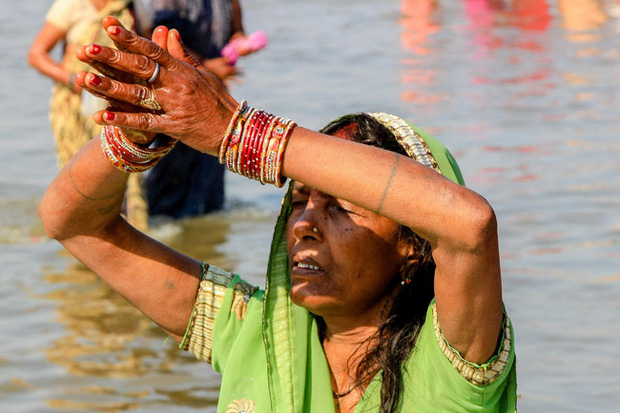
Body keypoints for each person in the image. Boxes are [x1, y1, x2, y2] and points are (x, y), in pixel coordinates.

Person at [38, 17, 517, 412]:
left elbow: (469, 224)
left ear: (413, 247)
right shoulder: (253, 330)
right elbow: (71, 221)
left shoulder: (454, 357)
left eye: (342, 208)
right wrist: (138, 134)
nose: (305, 224)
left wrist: (237, 132)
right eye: (297, 201)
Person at [28, 0, 148, 230]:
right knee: (81, 179)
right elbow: (36, 55)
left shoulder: (131, 7)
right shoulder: (72, 5)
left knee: (127, 177)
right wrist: (75, 81)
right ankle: (81, 237)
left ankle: (128, 239)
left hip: (119, 107)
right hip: (74, 107)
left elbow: (145, 51)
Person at [136, 0, 257, 219]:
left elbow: (236, 30)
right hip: (177, 94)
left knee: (211, 174)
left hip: (213, 94)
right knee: (171, 177)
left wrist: (240, 43)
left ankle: (202, 242)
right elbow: (159, 39)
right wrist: (207, 66)